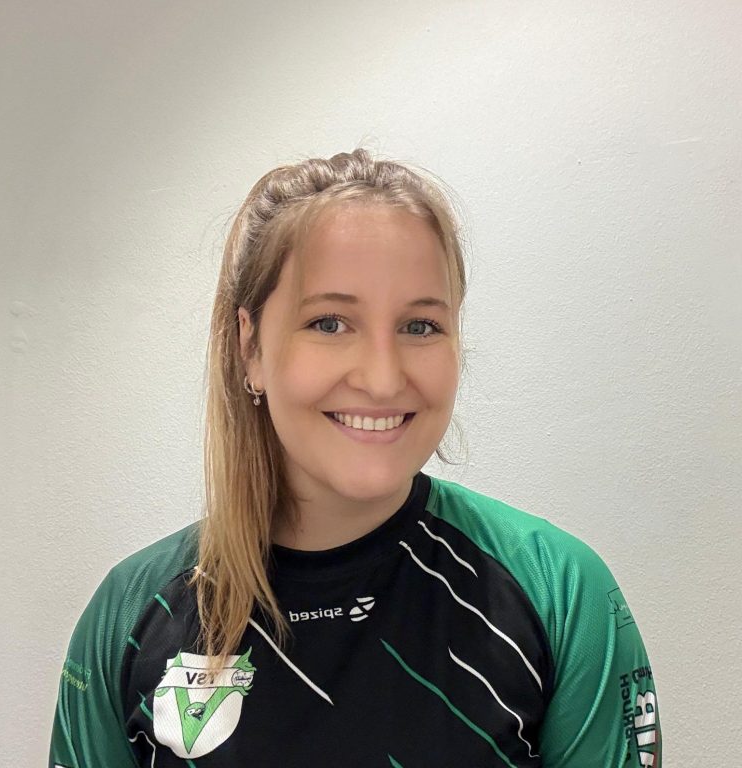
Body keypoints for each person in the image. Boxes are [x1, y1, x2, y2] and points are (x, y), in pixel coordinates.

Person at [49, 149, 661, 767]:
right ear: (249, 347)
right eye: (330, 323)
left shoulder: (560, 592)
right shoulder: (131, 615)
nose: (382, 378)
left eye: (419, 326)